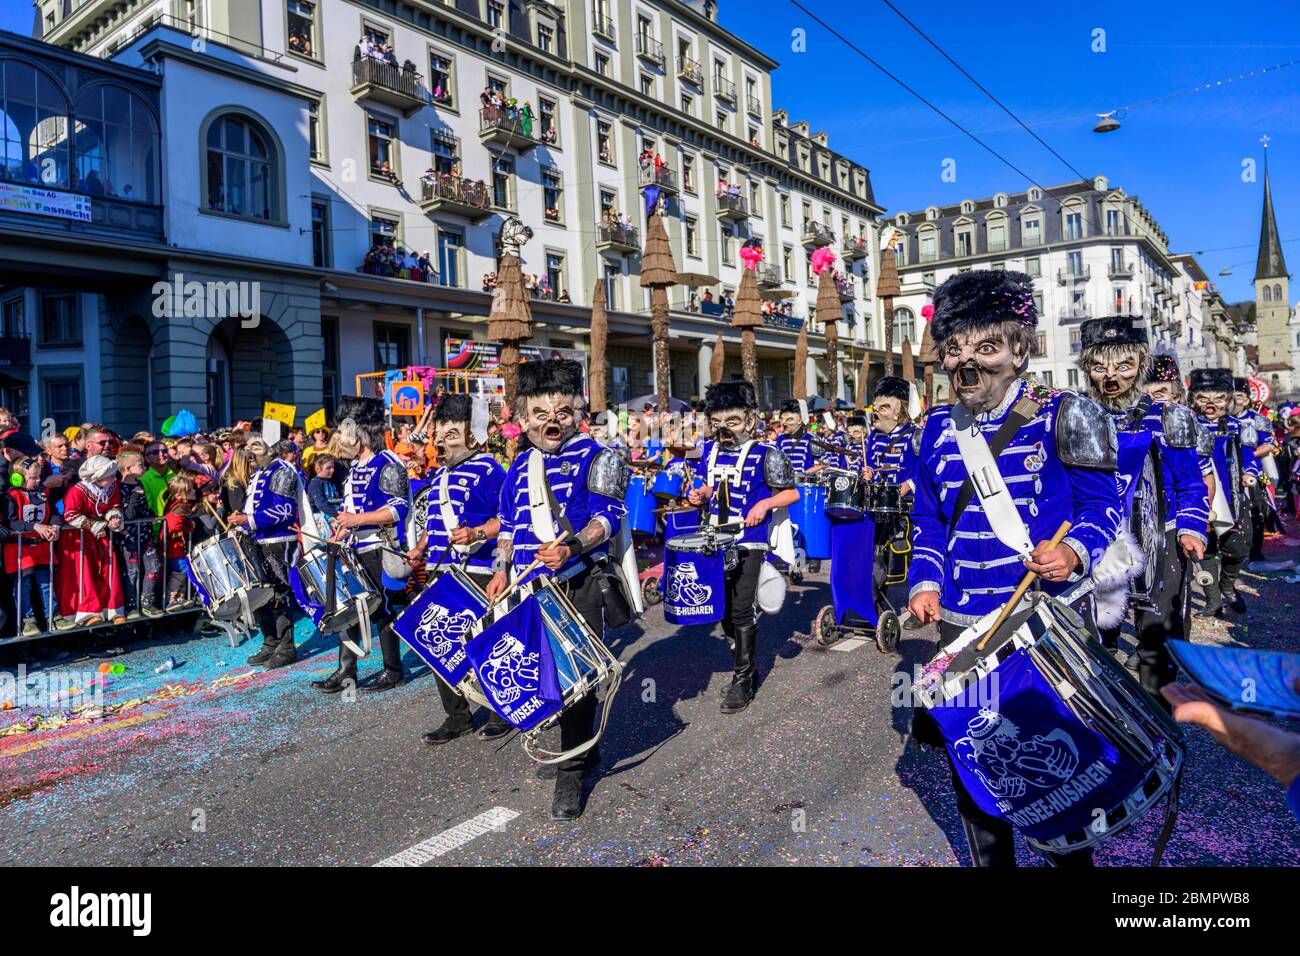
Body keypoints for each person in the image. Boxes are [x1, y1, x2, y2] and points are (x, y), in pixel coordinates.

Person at [907, 270, 1121, 867]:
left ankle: (1069, 861)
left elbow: (1104, 506)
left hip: (1043, 618)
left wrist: (1074, 550)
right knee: (976, 758)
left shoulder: (1065, 413)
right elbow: (929, 520)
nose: (966, 362)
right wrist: (925, 581)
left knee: (1054, 761)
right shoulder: (933, 430)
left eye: (985, 347)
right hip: (963, 621)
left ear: (1018, 350)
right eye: (954, 349)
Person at [486, 360, 631, 820]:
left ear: (576, 413)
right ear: (523, 417)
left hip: (579, 581)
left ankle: (571, 774)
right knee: (546, 673)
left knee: (577, 678)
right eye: (540, 413)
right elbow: (508, 525)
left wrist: (571, 547)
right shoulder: (518, 466)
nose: (552, 422)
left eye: (562, 412)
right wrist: (500, 568)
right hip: (529, 587)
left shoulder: (600, 456)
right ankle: (582, 751)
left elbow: (608, 518)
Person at [1077, 321, 1208, 700]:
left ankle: (1161, 731)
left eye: (1123, 366)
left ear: (1141, 363)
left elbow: (1190, 482)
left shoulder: (1170, 417)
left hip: (1158, 537)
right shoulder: (1075, 415)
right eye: (1100, 367)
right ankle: (1109, 724)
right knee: (1095, 640)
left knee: (1154, 642)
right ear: (1088, 368)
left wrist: (1190, 528)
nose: (1111, 377)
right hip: (1096, 538)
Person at [686, 381, 799, 714]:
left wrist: (764, 505)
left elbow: (791, 493)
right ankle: (744, 666)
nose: (725, 429)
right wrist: (701, 494)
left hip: (749, 541)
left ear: (750, 421)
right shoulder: (710, 451)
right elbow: (711, 486)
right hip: (713, 538)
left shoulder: (768, 454)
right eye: (718, 422)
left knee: (741, 608)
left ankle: (743, 679)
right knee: (720, 610)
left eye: (732, 422)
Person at [407, 394, 511, 745]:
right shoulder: (439, 475)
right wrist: (421, 547)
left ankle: (501, 710)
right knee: (437, 645)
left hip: (479, 571)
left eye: (451, 434)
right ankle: (458, 716)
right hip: (441, 573)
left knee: (485, 646)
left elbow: (509, 521)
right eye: (440, 434)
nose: (440, 441)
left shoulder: (492, 470)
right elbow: (434, 520)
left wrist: (482, 541)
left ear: (473, 435)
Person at [313, 397, 411, 694]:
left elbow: (399, 509)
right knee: (349, 609)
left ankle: (393, 669)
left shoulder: (388, 462)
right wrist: (340, 528)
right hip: (354, 547)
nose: (339, 439)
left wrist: (357, 519)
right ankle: (347, 672)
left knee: (380, 609)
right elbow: (350, 511)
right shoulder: (355, 466)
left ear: (361, 431)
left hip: (379, 547)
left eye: (343, 431)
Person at [225, 437, 312, 668]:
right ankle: (270, 642)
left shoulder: (283, 470)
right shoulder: (258, 472)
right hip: (257, 539)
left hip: (279, 540)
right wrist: (240, 521)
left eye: (256, 445)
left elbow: (285, 510)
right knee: (261, 595)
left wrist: (249, 519)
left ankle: (286, 647)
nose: (250, 451)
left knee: (279, 595)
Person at [1188, 368, 1259, 618]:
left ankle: (1227, 587)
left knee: (1238, 549)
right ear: (1192, 398)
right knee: (1204, 549)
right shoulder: (1187, 427)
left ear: (1228, 400)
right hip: (1200, 495)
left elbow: (1250, 456)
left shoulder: (1239, 426)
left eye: (1218, 398)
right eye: (1203, 398)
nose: (1210, 404)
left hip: (1232, 498)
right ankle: (1214, 600)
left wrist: (1249, 473)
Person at [56, 455, 127, 627]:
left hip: (100, 535)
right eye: (109, 475)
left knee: (108, 570)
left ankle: (112, 609)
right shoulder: (77, 490)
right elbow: (70, 515)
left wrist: (114, 517)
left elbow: (114, 506)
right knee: (83, 573)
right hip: (78, 538)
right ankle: (87, 612)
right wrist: (95, 525)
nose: (113, 477)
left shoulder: (112, 486)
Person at [3, 456, 66, 635]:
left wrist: (56, 525)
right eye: (34, 477)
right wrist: (35, 526)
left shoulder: (43, 492)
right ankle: (27, 620)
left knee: (47, 583)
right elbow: (11, 522)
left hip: (42, 548)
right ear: (18, 478)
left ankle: (53, 616)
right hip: (20, 549)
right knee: (23, 586)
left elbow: (54, 513)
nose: (39, 480)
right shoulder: (11, 497)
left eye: (39, 476)